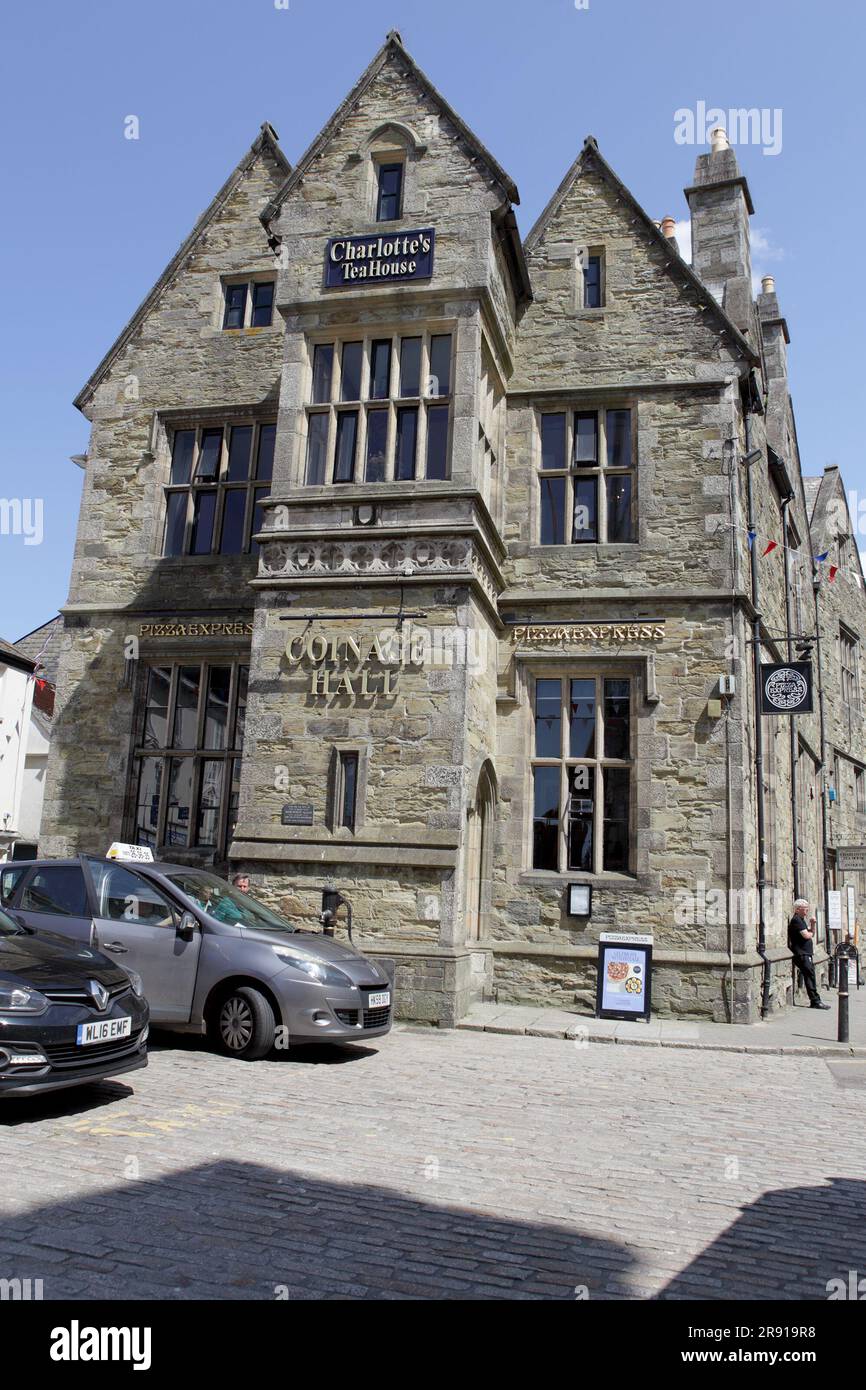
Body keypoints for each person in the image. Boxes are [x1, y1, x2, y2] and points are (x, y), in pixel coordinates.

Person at [788, 898, 830, 1009]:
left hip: (806, 953)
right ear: (797, 909)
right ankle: (815, 1001)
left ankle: (815, 1000)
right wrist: (810, 932)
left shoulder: (801, 920)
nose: (807, 911)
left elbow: (811, 933)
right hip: (802, 953)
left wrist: (812, 925)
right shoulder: (796, 920)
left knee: (810, 975)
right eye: (805, 909)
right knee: (809, 975)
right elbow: (807, 935)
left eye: (807, 908)